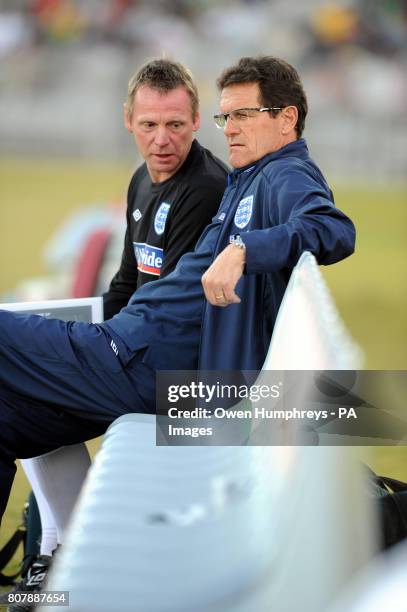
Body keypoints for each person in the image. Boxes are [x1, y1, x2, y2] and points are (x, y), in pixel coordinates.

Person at [0, 54, 355, 542]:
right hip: (128, 348)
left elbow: (333, 229)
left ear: (286, 117)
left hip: (145, 364)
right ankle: (53, 558)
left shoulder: (283, 175)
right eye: (225, 116)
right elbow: (132, 288)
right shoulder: (247, 176)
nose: (229, 128)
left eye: (244, 115)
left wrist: (244, 249)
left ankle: (65, 550)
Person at [0, 58, 228, 609]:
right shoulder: (140, 180)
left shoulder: (205, 187)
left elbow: (168, 315)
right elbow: (128, 283)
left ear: (197, 120)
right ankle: (56, 573)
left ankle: (70, 564)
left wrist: (75, 344)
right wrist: (73, 330)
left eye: (175, 124)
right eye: (149, 124)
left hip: (153, 370)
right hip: (122, 351)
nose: (162, 139)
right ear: (127, 119)